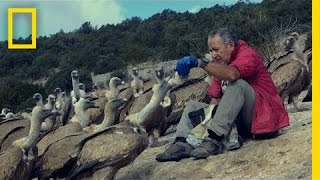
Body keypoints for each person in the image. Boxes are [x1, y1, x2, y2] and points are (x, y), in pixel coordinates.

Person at [156, 28, 289, 162]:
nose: (213, 55)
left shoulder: (248, 54)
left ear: (231, 45)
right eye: (210, 51)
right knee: (192, 106)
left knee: (238, 84)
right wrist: (203, 126)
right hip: (238, 123)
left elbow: (232, 75)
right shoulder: (221, 65)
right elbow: (215, 101)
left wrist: (200, 63)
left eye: (216, 49)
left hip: (261, 119)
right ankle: (182, 143)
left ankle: (214, 140)